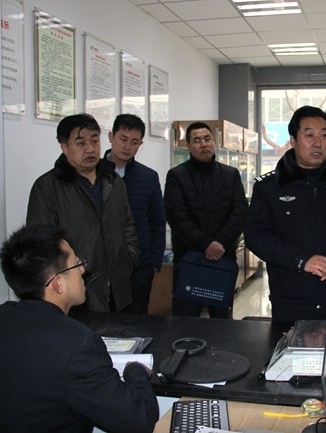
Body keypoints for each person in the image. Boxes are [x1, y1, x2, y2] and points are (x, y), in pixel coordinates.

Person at [0, 224, 158, 433]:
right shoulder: (77, 344)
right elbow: (139, 420)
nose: (83, 270)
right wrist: (135, 371)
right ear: (58, 284)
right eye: (76, 264)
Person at [244, 106, 326, 326]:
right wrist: (302, 260)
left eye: (324, 136)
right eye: (309, 135)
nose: (318, 143)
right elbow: (256, 235)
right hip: (291, 298)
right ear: (293, 140)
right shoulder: (269, 187)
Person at [27, 113, 140, 312]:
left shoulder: (113, 181)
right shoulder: (47, 187)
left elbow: (128, 225)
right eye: (80, 143)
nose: (90, 148)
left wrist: (129, 258)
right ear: (64, 147)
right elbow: (42, 246)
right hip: (75, 293)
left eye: (94, 140)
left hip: (117, 286)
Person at [164, 121, 248, 318]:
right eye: (197, 140)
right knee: (186, 321)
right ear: (188, 146)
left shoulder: (230, 175)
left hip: (223, 257)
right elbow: (177, 217)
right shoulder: (177, 176)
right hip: (189, 259)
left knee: (222, 321)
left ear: (214, 142)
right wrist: (206, 244)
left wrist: (220, 243)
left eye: (207, 138)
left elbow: (240, 212)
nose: (203, 144)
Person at [103, 114, 166, 314]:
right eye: (123, 139)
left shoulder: (148, 177)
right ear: (111, 136)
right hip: (102, 266)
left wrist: (153, 263)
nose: (127, 146)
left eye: (134, 142)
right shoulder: (92, 173)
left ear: (140, 144)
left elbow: (158, 221)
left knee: (137, 320)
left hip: (140, 266)